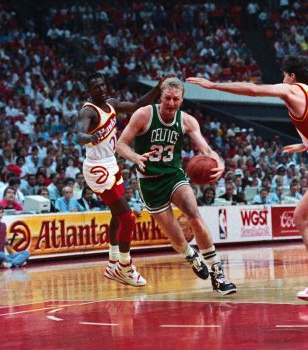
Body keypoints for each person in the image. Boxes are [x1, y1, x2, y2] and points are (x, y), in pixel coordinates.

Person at [187, 55, 308, 300]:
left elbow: (253, 90)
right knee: (301, 216)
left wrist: (212, 85)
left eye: (284, 74)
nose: (282, 79)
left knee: (302, 217)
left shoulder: (292, 90)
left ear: (292, 76)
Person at [116, 77, 237, 295]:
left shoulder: (187, 121)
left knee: (195, 217)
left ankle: (217, 273)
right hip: (149, 182)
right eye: (168, 98)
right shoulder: (144, 115)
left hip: (174, 176)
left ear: (182, 99)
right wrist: (135, 157)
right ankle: (190, 254)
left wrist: (218, 161)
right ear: (161, 96)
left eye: (176, 99)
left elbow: (205, 149)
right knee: (176, 237)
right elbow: (121, 144)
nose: (171, 103)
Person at [77, 72, 166, 287]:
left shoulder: (112, 103)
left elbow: (138, 105)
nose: (102, 88)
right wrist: (90, 137)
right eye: (96, 87)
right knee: (127, 218)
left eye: (103, 84)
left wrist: (158, 87)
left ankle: (113, 262)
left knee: (117, 216)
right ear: (90, 91)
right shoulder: (88, 110)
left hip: (110, 163)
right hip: (98, 169)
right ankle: (125, 267)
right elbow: (79, 134)